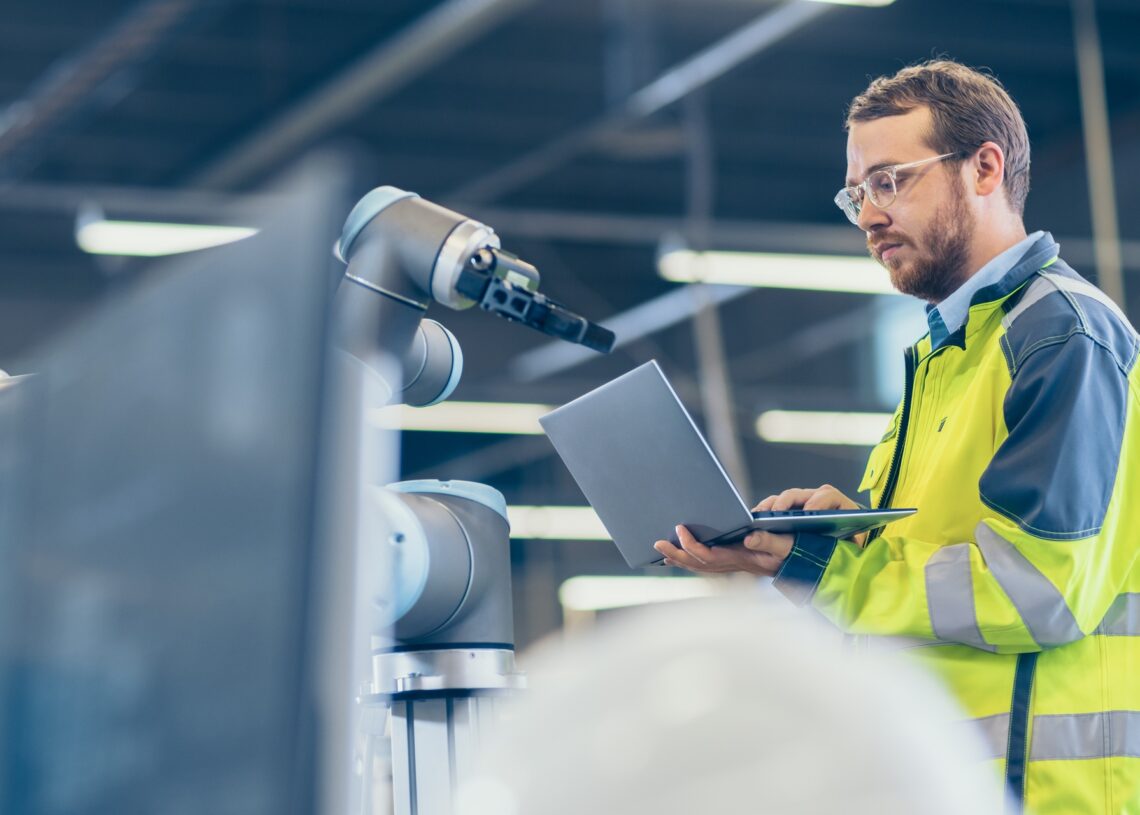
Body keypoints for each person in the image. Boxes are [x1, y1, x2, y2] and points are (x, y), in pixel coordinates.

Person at [654, 60, 1140, 815]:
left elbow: (1037, 590)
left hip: (1044, 793)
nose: (870, 214)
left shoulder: (1061, 335)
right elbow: (903, 594)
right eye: (857, 194)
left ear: (985, 167)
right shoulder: (945, 355)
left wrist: (826, 566)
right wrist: (790, 558)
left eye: (891, 180)